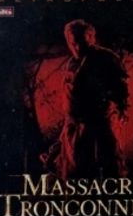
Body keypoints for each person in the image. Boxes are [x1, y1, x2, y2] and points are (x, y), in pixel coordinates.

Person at [52, 19, 128, 179]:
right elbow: (69, 101)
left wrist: (116, 113)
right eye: (73, 43)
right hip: (75, 131)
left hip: (100, 127)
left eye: (81, 43)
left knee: (109, 172)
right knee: (76, 175)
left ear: (91, 38)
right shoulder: (70, 64)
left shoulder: (106, 58)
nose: (77, 48)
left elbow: (120, 92)